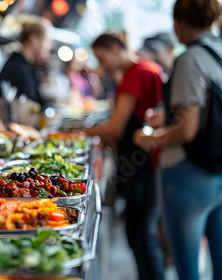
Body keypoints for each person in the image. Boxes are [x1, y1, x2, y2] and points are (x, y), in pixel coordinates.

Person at [134, 0, 222, 279]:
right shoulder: (218, 52)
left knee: (188, 269)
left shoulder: (188, 59)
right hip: (218, 169)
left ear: (178, 23)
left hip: (187, 173)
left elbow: (187, 130)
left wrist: (151, 136)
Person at [83, 33, 165, 280]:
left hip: (140, 163)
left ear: (116, 48)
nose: (102, 65)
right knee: (141, 231)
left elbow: (115, 127)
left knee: (140, 232)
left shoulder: (136, 73)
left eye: (103, 58)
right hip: (143, 161)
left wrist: (74, 132)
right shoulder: (144, 69)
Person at [0, 18, 52, 107]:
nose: (49, 47)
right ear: (34, 39)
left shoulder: (23, 66)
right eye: (47, 41)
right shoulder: (17, 69)